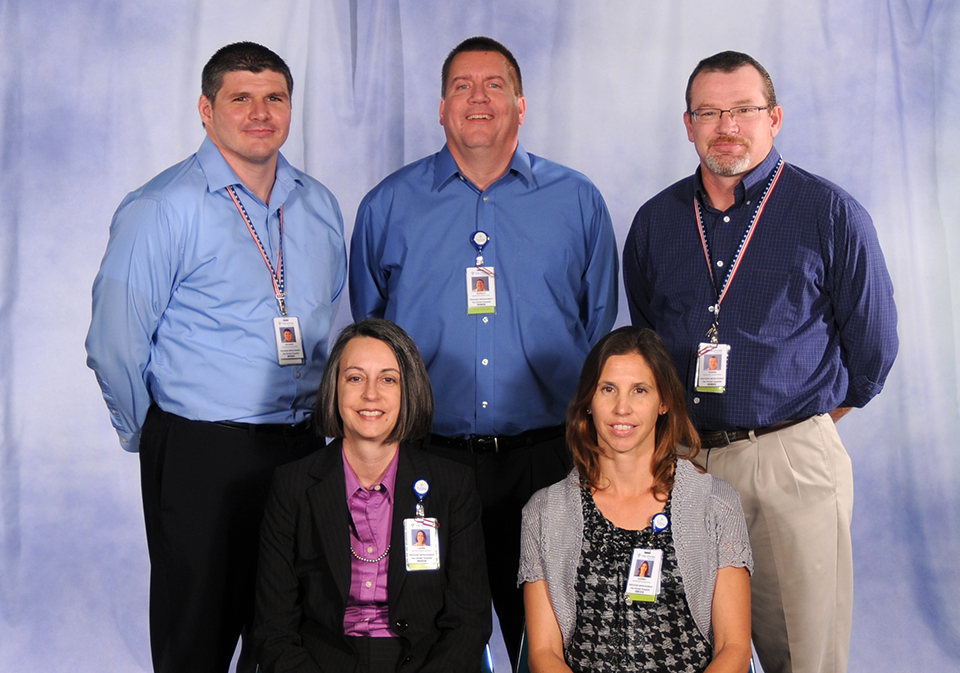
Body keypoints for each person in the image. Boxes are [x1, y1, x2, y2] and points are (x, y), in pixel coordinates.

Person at [622, 51, 898, 673]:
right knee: (687, 649)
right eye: (710, 112)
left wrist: (800, 430)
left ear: (774, 118)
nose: (727, 126)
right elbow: (647, 340)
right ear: (687, 124)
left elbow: (873, 351)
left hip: (790, 462)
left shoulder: (830, 213)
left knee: (805, 654)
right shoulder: (656, 222)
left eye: (744, 109)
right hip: (684, 464)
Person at [350, 36, 619, 664]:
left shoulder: (577, 201)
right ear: (441, 108)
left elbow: (599, 329)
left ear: (520, 105)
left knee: (558, 636)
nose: (479, 98)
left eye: (495, 85)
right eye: (463, 87)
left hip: (548, 460)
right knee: (435, 637)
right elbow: (371, 335)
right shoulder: (388, 206)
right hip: (426, 462)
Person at [85, 42, 347, 673]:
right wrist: (150, 435)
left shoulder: (319, 204)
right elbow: (113, 342)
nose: (260, 113)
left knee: (290, 634)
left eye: (274, 98)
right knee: (195, 635)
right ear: (206, 109)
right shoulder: (161, 207)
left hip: (307, 449)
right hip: (203, 452)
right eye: (240, 98)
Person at [253, 318, 492, 672]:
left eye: (388, 379)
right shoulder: (293, 486)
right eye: (355, 378)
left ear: (408, 390)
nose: (370, 395)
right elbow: (274, 629)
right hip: (321, 663)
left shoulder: (451, 486)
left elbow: (469, 623)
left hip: (425, 663)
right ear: (334, 388)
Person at [519, 327, 753, 673]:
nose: (621, 408)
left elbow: (733, 648)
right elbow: (544, 652)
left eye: (639, 390)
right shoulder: (544, 512)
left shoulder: (716, 504)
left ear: (664, 402)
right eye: (608, 389)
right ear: (588, 402)